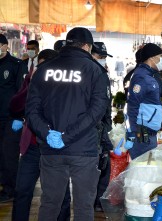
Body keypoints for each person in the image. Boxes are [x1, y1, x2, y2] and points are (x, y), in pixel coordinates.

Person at [25, 27, 110, 221]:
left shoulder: (44, 69)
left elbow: (31, 111)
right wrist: (68, 136)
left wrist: (48, 134)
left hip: (51, 150)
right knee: (83, 207)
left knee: (49, 203)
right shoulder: (95, 71)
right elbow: (96, 113)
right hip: (83, 149)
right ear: (87, 46)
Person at [11, 49, 71, 221]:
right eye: (39, 65)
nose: (40, 69)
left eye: (44, 65)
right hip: (31, 147)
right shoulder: (31, 81)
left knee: (61, 194)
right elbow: (15, 105)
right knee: (22, 190)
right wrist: (31, 82)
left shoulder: (64, 86)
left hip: (55, 148)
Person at [124, 43, 162, 159]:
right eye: (160, 56)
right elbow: (132, 106)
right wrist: (131, 133)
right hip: (142, 136)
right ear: (152, 58)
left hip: (148, 134)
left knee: (147, 171)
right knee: (144, 172)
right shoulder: (141, 77)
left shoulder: (148, 75)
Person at [0, 34, 27, 203]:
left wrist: (19, 116)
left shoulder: (16, 65)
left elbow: (22, 92)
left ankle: (10, 190)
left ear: (5, 46)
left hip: (10, 119)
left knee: (8, 156)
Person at [91, 41, 114, 212]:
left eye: (105, 57)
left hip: (102, 127)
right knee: (97, 167)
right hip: (93, 128)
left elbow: (107, 103)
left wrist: (108, 125)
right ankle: (94, 201)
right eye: (100, 56)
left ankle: (97, 201)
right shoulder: (90, 74)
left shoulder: (102, 74)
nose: (103, 60)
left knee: (103, 165)